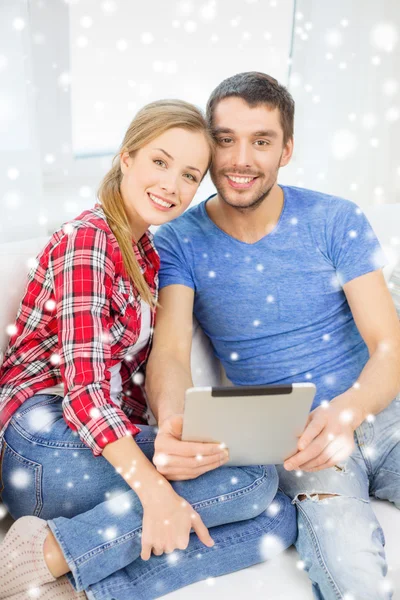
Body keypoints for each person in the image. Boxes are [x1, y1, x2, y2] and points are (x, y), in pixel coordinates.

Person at [0, 99, 296, 600]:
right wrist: (157, 491)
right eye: (160, 162)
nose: (171, 186)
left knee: (277, 517)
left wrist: (174, 441)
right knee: (252, 477)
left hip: (92, 442)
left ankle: (82, 584)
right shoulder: (87, 242)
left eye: (189, 175)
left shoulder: (145, 254)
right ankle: (38, 555)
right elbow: (87, 393)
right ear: (127, 157)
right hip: (41, 445)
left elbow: (138, 384)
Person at [148, 72, 400, 600]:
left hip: (382, 418)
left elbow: (389, 345)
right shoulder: (178, 240)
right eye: (226, 139)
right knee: (354, 577)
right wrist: (174, 424)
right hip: (295, 443)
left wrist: (347, 414)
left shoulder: (336, 219)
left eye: (261, 141)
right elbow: (169, 353)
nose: (241, 159)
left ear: (286, 149)